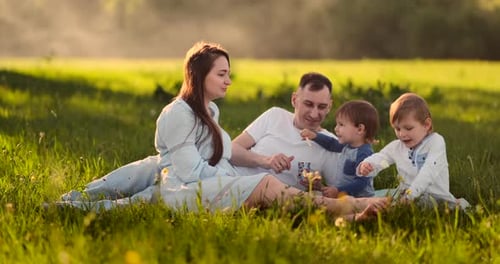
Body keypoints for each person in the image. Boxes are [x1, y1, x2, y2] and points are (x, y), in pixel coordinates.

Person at [54, 41, 388, 220]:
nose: (229, 81)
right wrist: (256, 166)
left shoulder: (210, 111)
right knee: (151, 173)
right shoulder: (179, 115)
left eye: (322, 107)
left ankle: (71, 205)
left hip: (203, 184)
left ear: (330, 108)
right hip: (194, 184)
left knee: (148, 192)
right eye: (222, 74)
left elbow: (348, 174)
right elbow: (191, 171)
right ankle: (73, 202)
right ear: (200, 76)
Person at [232, 72, 345, 192]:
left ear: (329, 106)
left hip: (269, 196)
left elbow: (340, 191)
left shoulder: (332, 145)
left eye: (322, 107)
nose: (314, 114)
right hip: (231, 178)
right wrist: (266, 161)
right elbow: (232, 150)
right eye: (308, 104)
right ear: (294, 100)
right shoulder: (275, 115)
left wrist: (319, 188)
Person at [357, 93, 469, 209]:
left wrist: (409, 196)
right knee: (370, 199)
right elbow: (383, 159)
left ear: (426, 124)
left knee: (456, 207)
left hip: (435, 199)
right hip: (403, 195)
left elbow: (428, 172)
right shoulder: (397, 147)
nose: (402, 134)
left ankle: (460, 204)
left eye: (408, 128)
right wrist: (368, 165)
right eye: (397, 128)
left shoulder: (436, 142)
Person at [299, 100, 379, 198]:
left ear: (360, 129)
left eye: (341, 125)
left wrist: (338, 190)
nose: (336, 129)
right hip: (344, 195)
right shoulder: (347, 145)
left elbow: (361, 183)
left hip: (360, 199)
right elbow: (332, 144)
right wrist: (315, 136)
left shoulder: (364, 154)